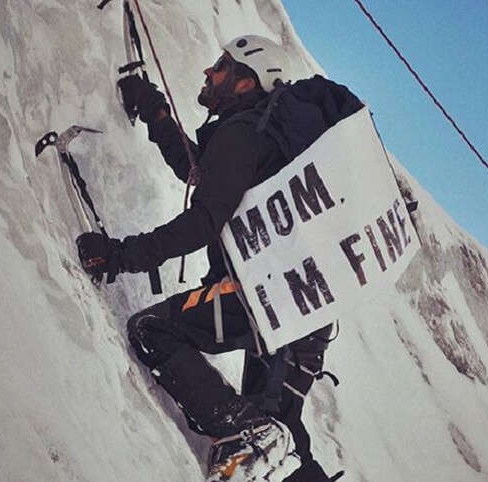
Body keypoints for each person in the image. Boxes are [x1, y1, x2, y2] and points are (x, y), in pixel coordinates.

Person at [76, 35, 361, 481]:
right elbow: (206, 176)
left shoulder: (244, 134)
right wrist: (156, 116)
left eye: (222, 66)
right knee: (281, 439)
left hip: (261, 298)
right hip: (306, 310)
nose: (210, 72)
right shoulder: (266, 138)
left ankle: (243, 431)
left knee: (153, 331)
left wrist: (119, 256)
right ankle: (260, 439)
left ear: (247, 83)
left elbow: (205, 220)